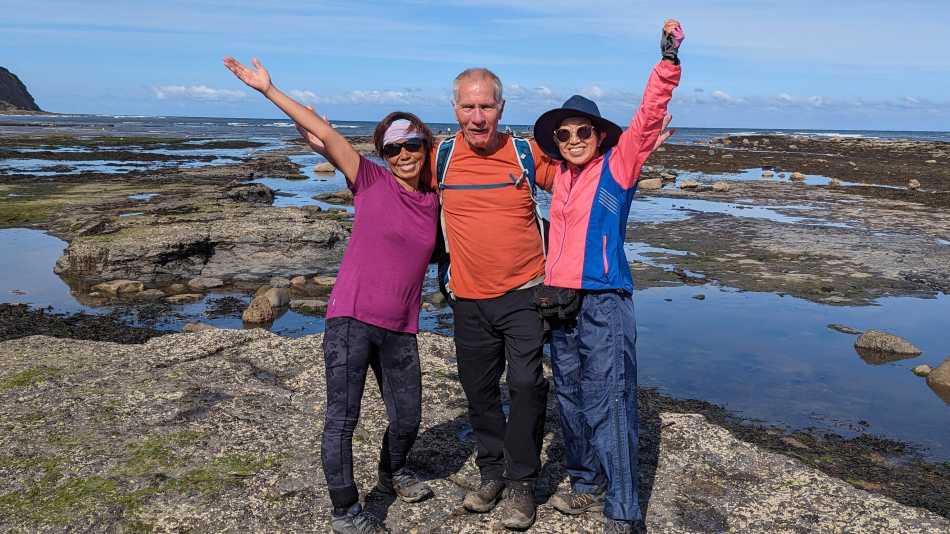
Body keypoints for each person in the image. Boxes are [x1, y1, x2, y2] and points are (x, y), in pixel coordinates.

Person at [223, 57, 440, 534]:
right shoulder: (369, 180)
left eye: (413, 144)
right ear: (382, 153)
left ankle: (393, 473)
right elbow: (322, 129)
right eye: (394, 147)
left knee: (407, 417)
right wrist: (268, 89)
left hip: (401, 325)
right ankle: (346, 512)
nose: (404, 154)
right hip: (352, 319)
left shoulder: (434, 198)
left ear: (426, 145)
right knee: (343, 418)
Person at [530, 19, 684, 534]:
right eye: (564, 134)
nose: (573, 139)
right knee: (570, 394)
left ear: (599, 136)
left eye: (582, 131)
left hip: (604, 300)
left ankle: (622, 510)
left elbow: (646, 120)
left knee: (610, 398)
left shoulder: (618, 168)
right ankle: (583, 479)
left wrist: (667, 62)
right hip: (560, 301)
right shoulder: (561, 179)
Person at [432, 68, 558, 529]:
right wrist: (320, 141)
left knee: (526, 385)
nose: (478, 116)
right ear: (455, 109)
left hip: (525, 293)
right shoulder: (440, 157)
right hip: (467, 300)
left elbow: (576, 188)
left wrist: (633, 151)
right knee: (479, 389)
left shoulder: (525, 153)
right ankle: (491, 472)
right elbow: (388, 181)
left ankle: (523, 482)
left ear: (501, 109)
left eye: (486, 106)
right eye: (469, 106)